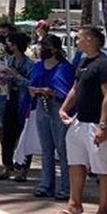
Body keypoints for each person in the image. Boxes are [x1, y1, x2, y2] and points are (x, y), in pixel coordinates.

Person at [53, 26, 107, 214]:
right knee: (75, 163)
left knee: (103, 167)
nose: (76, 41)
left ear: (90, 39)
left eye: (79, 38)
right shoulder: (83, 62)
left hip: (97, 123)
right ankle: (75, 205)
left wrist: (102, 125)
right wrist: (64, 108)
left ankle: (103, 211)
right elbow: (76, 87)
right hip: (79, 121)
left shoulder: (105, 64)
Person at [28, 34, 74, 200]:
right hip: (41, 105)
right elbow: (31, 83)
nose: (42, 50)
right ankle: (46, 184)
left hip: (58, 107)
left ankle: (66, 187)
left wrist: (52, 92)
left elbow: (68, 91)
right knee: (46, 149)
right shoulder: (38, 66)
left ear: (54, 49)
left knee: (62, 148)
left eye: (45, 47)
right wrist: (35, 90)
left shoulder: (64, 67)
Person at [0, 30, 32, 181]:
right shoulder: (10, 60)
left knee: (23, 136)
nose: (7, 46)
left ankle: (23, 169)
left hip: (23, 102)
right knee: (7, 134)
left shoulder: (28, 64)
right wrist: (2, 77)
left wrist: (16, 76)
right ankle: (7, 166)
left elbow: (31, 84)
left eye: (10, 44)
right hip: (9, 98)